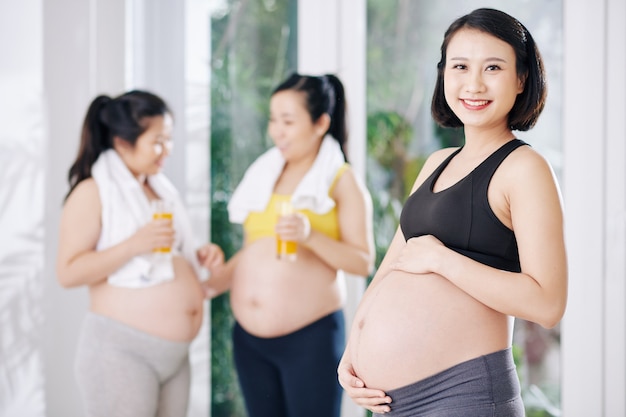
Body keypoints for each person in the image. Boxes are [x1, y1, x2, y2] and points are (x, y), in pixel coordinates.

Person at [338, 8, 568, 416]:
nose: (473, 83)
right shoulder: (436, 162)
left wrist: (444, 260)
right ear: (444, 74)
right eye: (460, 66)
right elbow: (392, 266)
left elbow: (547, 303)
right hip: (392, 403)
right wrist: (353, 350)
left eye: (493, 67)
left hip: (465, 396)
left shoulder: (524, 168)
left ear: (521, 79)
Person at [205, 73, 375, 417]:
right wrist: (217, 276)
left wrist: (310, 235)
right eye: (272, 120)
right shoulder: (264, 175)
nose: (276, 131)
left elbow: (363, 261)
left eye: (287, 121)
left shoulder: (342, 182)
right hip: (249, 342)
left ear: (320, 123)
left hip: (309, 340)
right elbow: (256, 248)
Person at [56, 90, 224, 417]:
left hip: (175, 357)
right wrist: (134, 244)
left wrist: (200, 256)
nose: (167, 150)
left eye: (169, 139)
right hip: (121, 352)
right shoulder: (92, 191)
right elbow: (68, 272)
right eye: (157, 141)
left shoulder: (158, 188)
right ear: (122, 141)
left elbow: (167, 256)